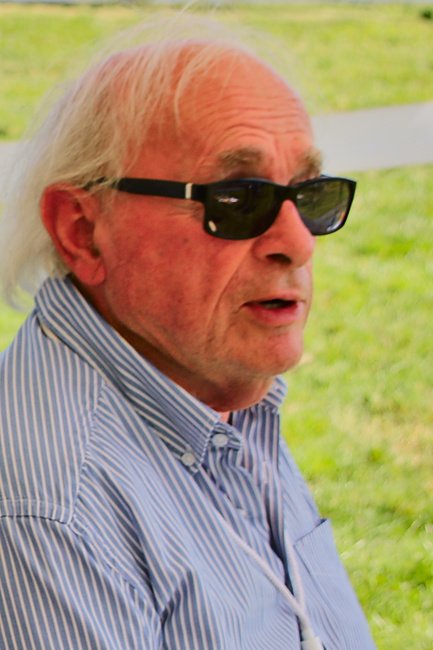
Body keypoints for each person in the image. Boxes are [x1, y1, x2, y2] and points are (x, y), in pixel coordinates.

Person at [0, 18, 375, 650]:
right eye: (237, 198)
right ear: (81, 231)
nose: (297, 243)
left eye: (308, 195)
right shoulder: (52, 508)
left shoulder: (207, 386)